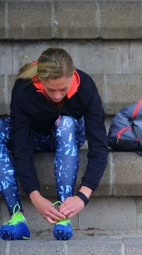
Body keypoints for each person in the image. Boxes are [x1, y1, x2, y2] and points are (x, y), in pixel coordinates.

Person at [0, 48, 108, 240]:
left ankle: (63, 215)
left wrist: (82, 196)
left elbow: (99, 146)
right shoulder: (24, 88)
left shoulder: (85, 87)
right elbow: (21, 145)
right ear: (40, 80)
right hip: (37, 137)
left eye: (63, 90)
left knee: (65, 122)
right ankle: (17, 217)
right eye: (51, 90)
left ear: (72, 77)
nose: (57, 96)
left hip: (69, 134)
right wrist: (35, 195)